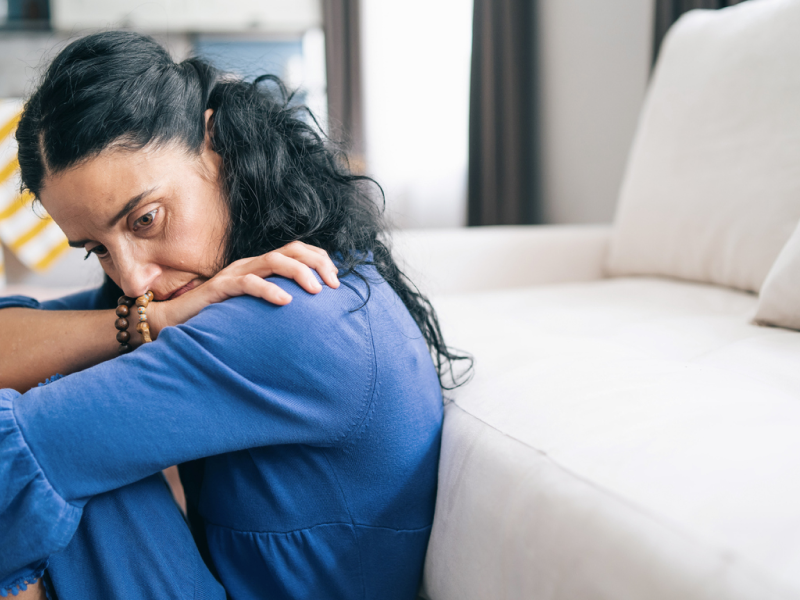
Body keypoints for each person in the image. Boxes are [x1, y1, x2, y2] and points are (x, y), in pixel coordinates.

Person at [0, 31, 469, 600]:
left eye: (145, 219)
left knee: (43, 435)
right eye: (96, 248)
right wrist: (152, 323)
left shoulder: (292, 312)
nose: (131, 278)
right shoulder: (209, 285)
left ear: (215, 143)